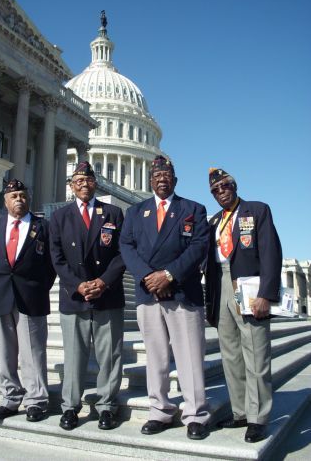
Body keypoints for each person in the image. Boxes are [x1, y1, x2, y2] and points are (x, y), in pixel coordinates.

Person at [120, 155, 210, 440]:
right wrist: (149, 277)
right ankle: (160, 410)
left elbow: (198, 247)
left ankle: (195, 413)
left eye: (167, 176)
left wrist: (169, 275)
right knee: (156, 356)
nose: (162, 179)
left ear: (175, 180)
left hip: (182, 292)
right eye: (157, 175)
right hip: (149, 294)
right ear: (150, 180)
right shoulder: (136, 212)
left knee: (189, 357)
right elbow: (126, 245)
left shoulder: (193, 209)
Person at [205, 168, 282, 443]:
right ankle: (240, 412)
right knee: (231, 354)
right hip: (222, 286)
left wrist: (266, 294)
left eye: (224, 186)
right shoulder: (214, 221)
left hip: (248, 286)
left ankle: (258, 417)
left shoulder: (257, 210)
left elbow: (271, 252)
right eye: (215, 190)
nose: (221, 191)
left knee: (255, 352)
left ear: (234, 185)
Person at [49, 161, 125, 431]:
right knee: (74, 356)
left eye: (88, 180)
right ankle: (70, 407)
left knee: (110, 356)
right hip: (74, 296)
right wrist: (78, 285)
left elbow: (121, 253)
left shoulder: (113, 213)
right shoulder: (59, 217)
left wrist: (103, 282)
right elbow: (56, 257)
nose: (84, 184)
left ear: (96, 183)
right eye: (78, 180)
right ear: (71, 185)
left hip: (108, 295)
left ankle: (106, 405)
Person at [0, 179, 56, 422]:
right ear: (5, 201)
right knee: (5, 352)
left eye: (23, 195)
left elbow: (51, 265)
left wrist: (39, 288)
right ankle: (11, 398)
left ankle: (36, 400)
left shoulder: (43, 226)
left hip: (31, 296)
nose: (19, 200)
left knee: (33, 351)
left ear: (29, 199)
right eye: (13, 196)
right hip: (0, 294)